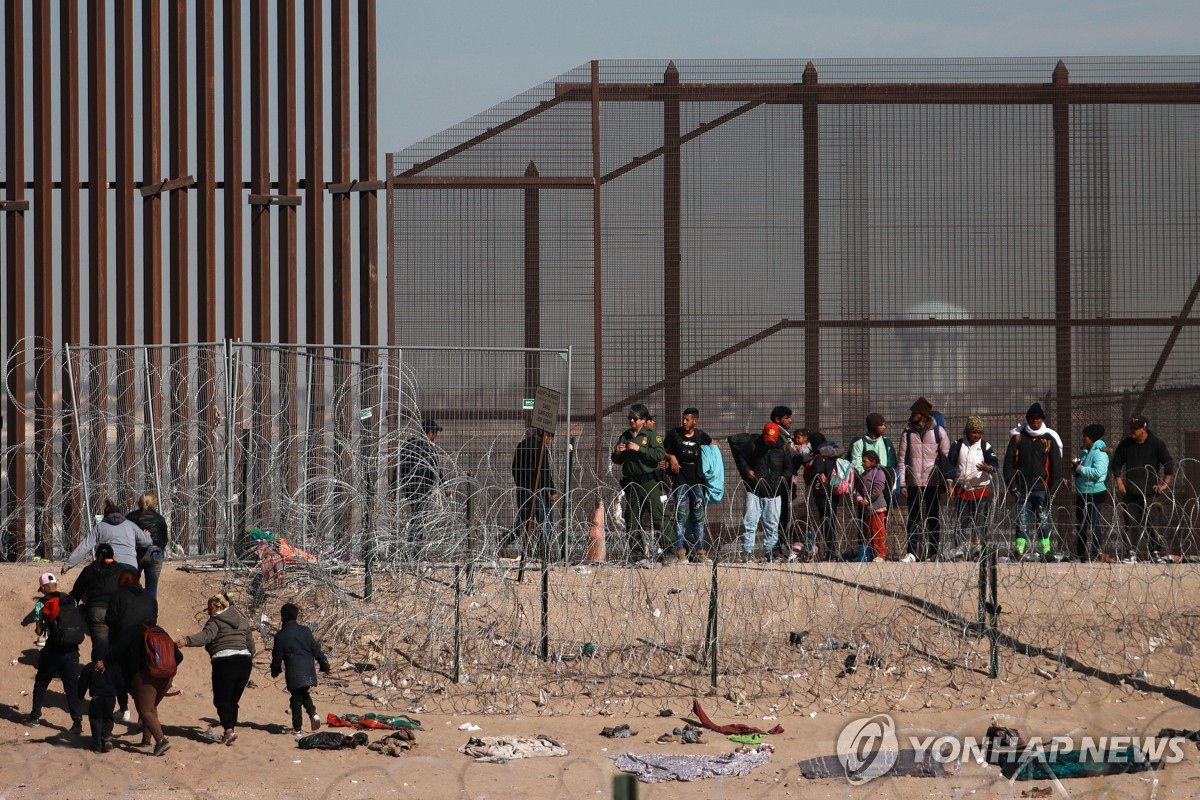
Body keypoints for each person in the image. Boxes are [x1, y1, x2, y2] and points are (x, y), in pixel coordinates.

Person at [103, 568, 171, 755]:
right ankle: (146, 739)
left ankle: (160, 739)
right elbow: (178, 656)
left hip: (132, 660)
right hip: (160, 666)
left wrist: (105, 661)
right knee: (149, 705)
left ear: (121, 582)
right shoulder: (151, 600)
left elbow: (111, 621)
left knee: (142, 706)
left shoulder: (119, 599)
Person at [177, 592, 256, 746]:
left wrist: (186, 641)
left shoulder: (215, 621)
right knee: (233, 700)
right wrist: (246, 658)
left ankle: (228, 731)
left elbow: (205, 637)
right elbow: (251, 644)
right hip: (244, 662)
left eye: (210, 609)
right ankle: (230, 729)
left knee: (221, 699)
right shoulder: (242, 621)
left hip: (225, 662)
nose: (209, 612)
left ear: (219, 607)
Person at [69, 542, 130, 721]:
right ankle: (124, 707)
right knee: (116, 659)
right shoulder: (121, 570)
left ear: (97, 555)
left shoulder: (90, 570)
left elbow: (76, 593)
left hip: (96, 613)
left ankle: (99, 698)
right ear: (113, 555)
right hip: (117, 615)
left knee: (100, 655)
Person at [22, 573, 85, 731]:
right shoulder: (71, 600)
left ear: (43, 587)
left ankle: (35, 716)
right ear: (56, 585)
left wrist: (45, 627)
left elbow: (38, 631)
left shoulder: (41, 603)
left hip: (53, 650)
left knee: (42, 682)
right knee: (71, 685)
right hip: (72, 649)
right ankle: (77, 722)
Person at [1003, 402, 1064, 561]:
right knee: (1022, 521)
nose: (1035, 422)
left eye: (1038, 419)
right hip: (1023, 488)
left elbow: (1056, 467)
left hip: (1042, 489)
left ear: (1042, 420)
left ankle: (1046, 551)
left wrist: (1053, 490)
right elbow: (1008, 465)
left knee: (1043, 520)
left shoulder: (1048, 439)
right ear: (1027, 420)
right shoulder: (1018, 438)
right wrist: (1013, 486)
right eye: (1032, 419)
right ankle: (1019, 551)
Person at [1112, 416, 1175, 562]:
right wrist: (1119, 482)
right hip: (1131, 492)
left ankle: (1155, 552)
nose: (1132, 431)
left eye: (1135, 429)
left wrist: (1164, 484)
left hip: (1151, 492)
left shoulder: (1156, 444)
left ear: (1143, 428)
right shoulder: (1126, 445)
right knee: (1130, 522)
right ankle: (1131, 552)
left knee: (1153, 523)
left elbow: (1169, 463)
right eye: (1131, 428)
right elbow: (1116, 464)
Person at [612, 404, 668, 566]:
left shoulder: (651, 435)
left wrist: (639, 449)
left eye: (634, 418)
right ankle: (637, 555)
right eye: (629, 418)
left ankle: (668, 551)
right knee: (631, 520)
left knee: (658, 517)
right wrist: (617, 452)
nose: (631, 420)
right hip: (632, 483)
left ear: (643, 420)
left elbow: (658, 455)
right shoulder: (625, 435)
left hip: (649, 481)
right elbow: (617, 460)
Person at [730, 422, 793, 562]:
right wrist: (746, 470)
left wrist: (782, 478)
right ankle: (746, 553)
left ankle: (770, 553)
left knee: (772, 525)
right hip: (755, 490)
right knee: (750, 522)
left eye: (772, 440)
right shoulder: (754, 444)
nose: (769, 442)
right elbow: (739, 453)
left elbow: (790, 466)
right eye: (767, 439)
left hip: (774, 492)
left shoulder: (782, 447)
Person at [898, 397, 950, 562]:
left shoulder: (937, 431)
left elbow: (945, 456)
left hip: (933, 482)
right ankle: (912, 552)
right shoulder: (907, 431)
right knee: (913, 518)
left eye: (915, 412)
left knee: (933, 518)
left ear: (923, 414)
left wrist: (944, 481)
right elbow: (902, 459)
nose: (912, 414)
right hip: (913, 483)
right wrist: (903, 483)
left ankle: (934, 552)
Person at [270, 602, 332, 734]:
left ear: (282, 617)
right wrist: (324, 664)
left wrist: (275, 669)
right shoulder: (305, 631)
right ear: (296, 616)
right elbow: (316, 649)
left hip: (294, 672)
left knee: (296, 700)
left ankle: (297, 728)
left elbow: (277, 656)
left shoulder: (280, 636)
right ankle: (313, 714)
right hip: (308, 670)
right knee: (302, 694)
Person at [943, 416, 999, 561]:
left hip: (979, 490)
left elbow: (994, 464)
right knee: (962, 520)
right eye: (974, 432)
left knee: (979, 520)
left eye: (979, 432)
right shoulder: (957, 445)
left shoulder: (985, 446)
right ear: (968, 432)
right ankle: (959, 550)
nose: (977, 435)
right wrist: (950, 485)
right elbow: (950, 465)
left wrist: (989, 468)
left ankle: (977, 549)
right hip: (962, 490)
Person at [664, 407, 713, 562]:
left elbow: (713, 445)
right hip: (680, 481)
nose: (684, 422)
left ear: (695, 421)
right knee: (680, 516)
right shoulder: (674, 434)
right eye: (683, 419)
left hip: (697, 481)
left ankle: (700, 551)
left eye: (687, 419)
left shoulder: (700, 435)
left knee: (698, 517)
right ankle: (680, 551)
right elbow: (661, 451)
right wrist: (671, 457)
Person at [62, 499, 152, 575]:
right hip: (130, 566)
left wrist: (68, 564)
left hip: (110, 567)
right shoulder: (130, 525)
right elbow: (146, 542)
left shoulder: (100, 527)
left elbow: (85, 546)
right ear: (120, 513)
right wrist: (147, 536)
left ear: (105, 515)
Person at [507, 428, 560, 556]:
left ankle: (503, 540)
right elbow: (544, 471)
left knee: (523, 521)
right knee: (546, 520)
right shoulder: (541, 448)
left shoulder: (522, 445)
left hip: (523, 490)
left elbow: (514, 468)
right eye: (549, 438)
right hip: (537, 491)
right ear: (545, 435)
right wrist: (552, 490)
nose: (549, 441)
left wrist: (521, 484)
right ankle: (544, 550)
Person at [395, 419, 446, 545]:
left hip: (409, 488)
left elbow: (399, 466)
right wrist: (444, 485)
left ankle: (413, 545)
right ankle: (413, 546)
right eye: (435, 434)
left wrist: (394, 486)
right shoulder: (429, 448)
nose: (435, 437)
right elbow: (435, 469)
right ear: (430, 433)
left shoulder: (409, 444)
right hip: (422, 488)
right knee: (419, 517)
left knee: (417, 515)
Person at [1073, 423, 1111, 562]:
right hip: (1082, 492)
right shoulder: (1085, 451)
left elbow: (1097, 473)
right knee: (1081, 524)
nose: (1083, 438)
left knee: (1093, 522)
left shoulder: (1100, 453)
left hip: (1095, 493)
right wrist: (1077, 469)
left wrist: (1079, 469)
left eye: (1086, 436)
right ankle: (1081, 553)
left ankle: (1096, 552)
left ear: (1093, 437)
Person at [805, 436, 846, 561]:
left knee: (825, 522)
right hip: (833, 491)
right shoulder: (835, 456)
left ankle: (829, 551)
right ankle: (832, 550)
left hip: (822, 493)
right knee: (831, 521)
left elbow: (817, 470)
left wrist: (812, 478)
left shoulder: (818, 457)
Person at [78, 641, 119, 753]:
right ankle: (106, 737)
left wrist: (80, 696)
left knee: (96, 720)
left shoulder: (90, 667)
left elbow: (83, 683)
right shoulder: (113, 667)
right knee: (108, 718)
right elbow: (120, 682)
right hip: (111, 697)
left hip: (97, 698)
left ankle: (97, 745)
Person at [125, 491, 168, 597]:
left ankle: (134, 609)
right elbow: (165, 539)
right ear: (154, 503)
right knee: (152, 588)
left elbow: (125, 535)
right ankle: (151, 611)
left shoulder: (131, 517)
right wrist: (159, 549)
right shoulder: (159, 518)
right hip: (155, 552)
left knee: (132, 585)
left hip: (137, 552)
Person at [854, 451, 889, 561]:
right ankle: (871, 554)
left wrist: (867, 500)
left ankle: (880, 554)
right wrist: (859, 498)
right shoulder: (863, 475)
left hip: (877, 507)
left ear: (873, 462)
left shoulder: (878, 473)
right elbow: (858, 489)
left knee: (878, 531)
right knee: (868, 531)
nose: (862, 463)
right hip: (867, 509)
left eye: (865, 461)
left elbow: (877, 490)